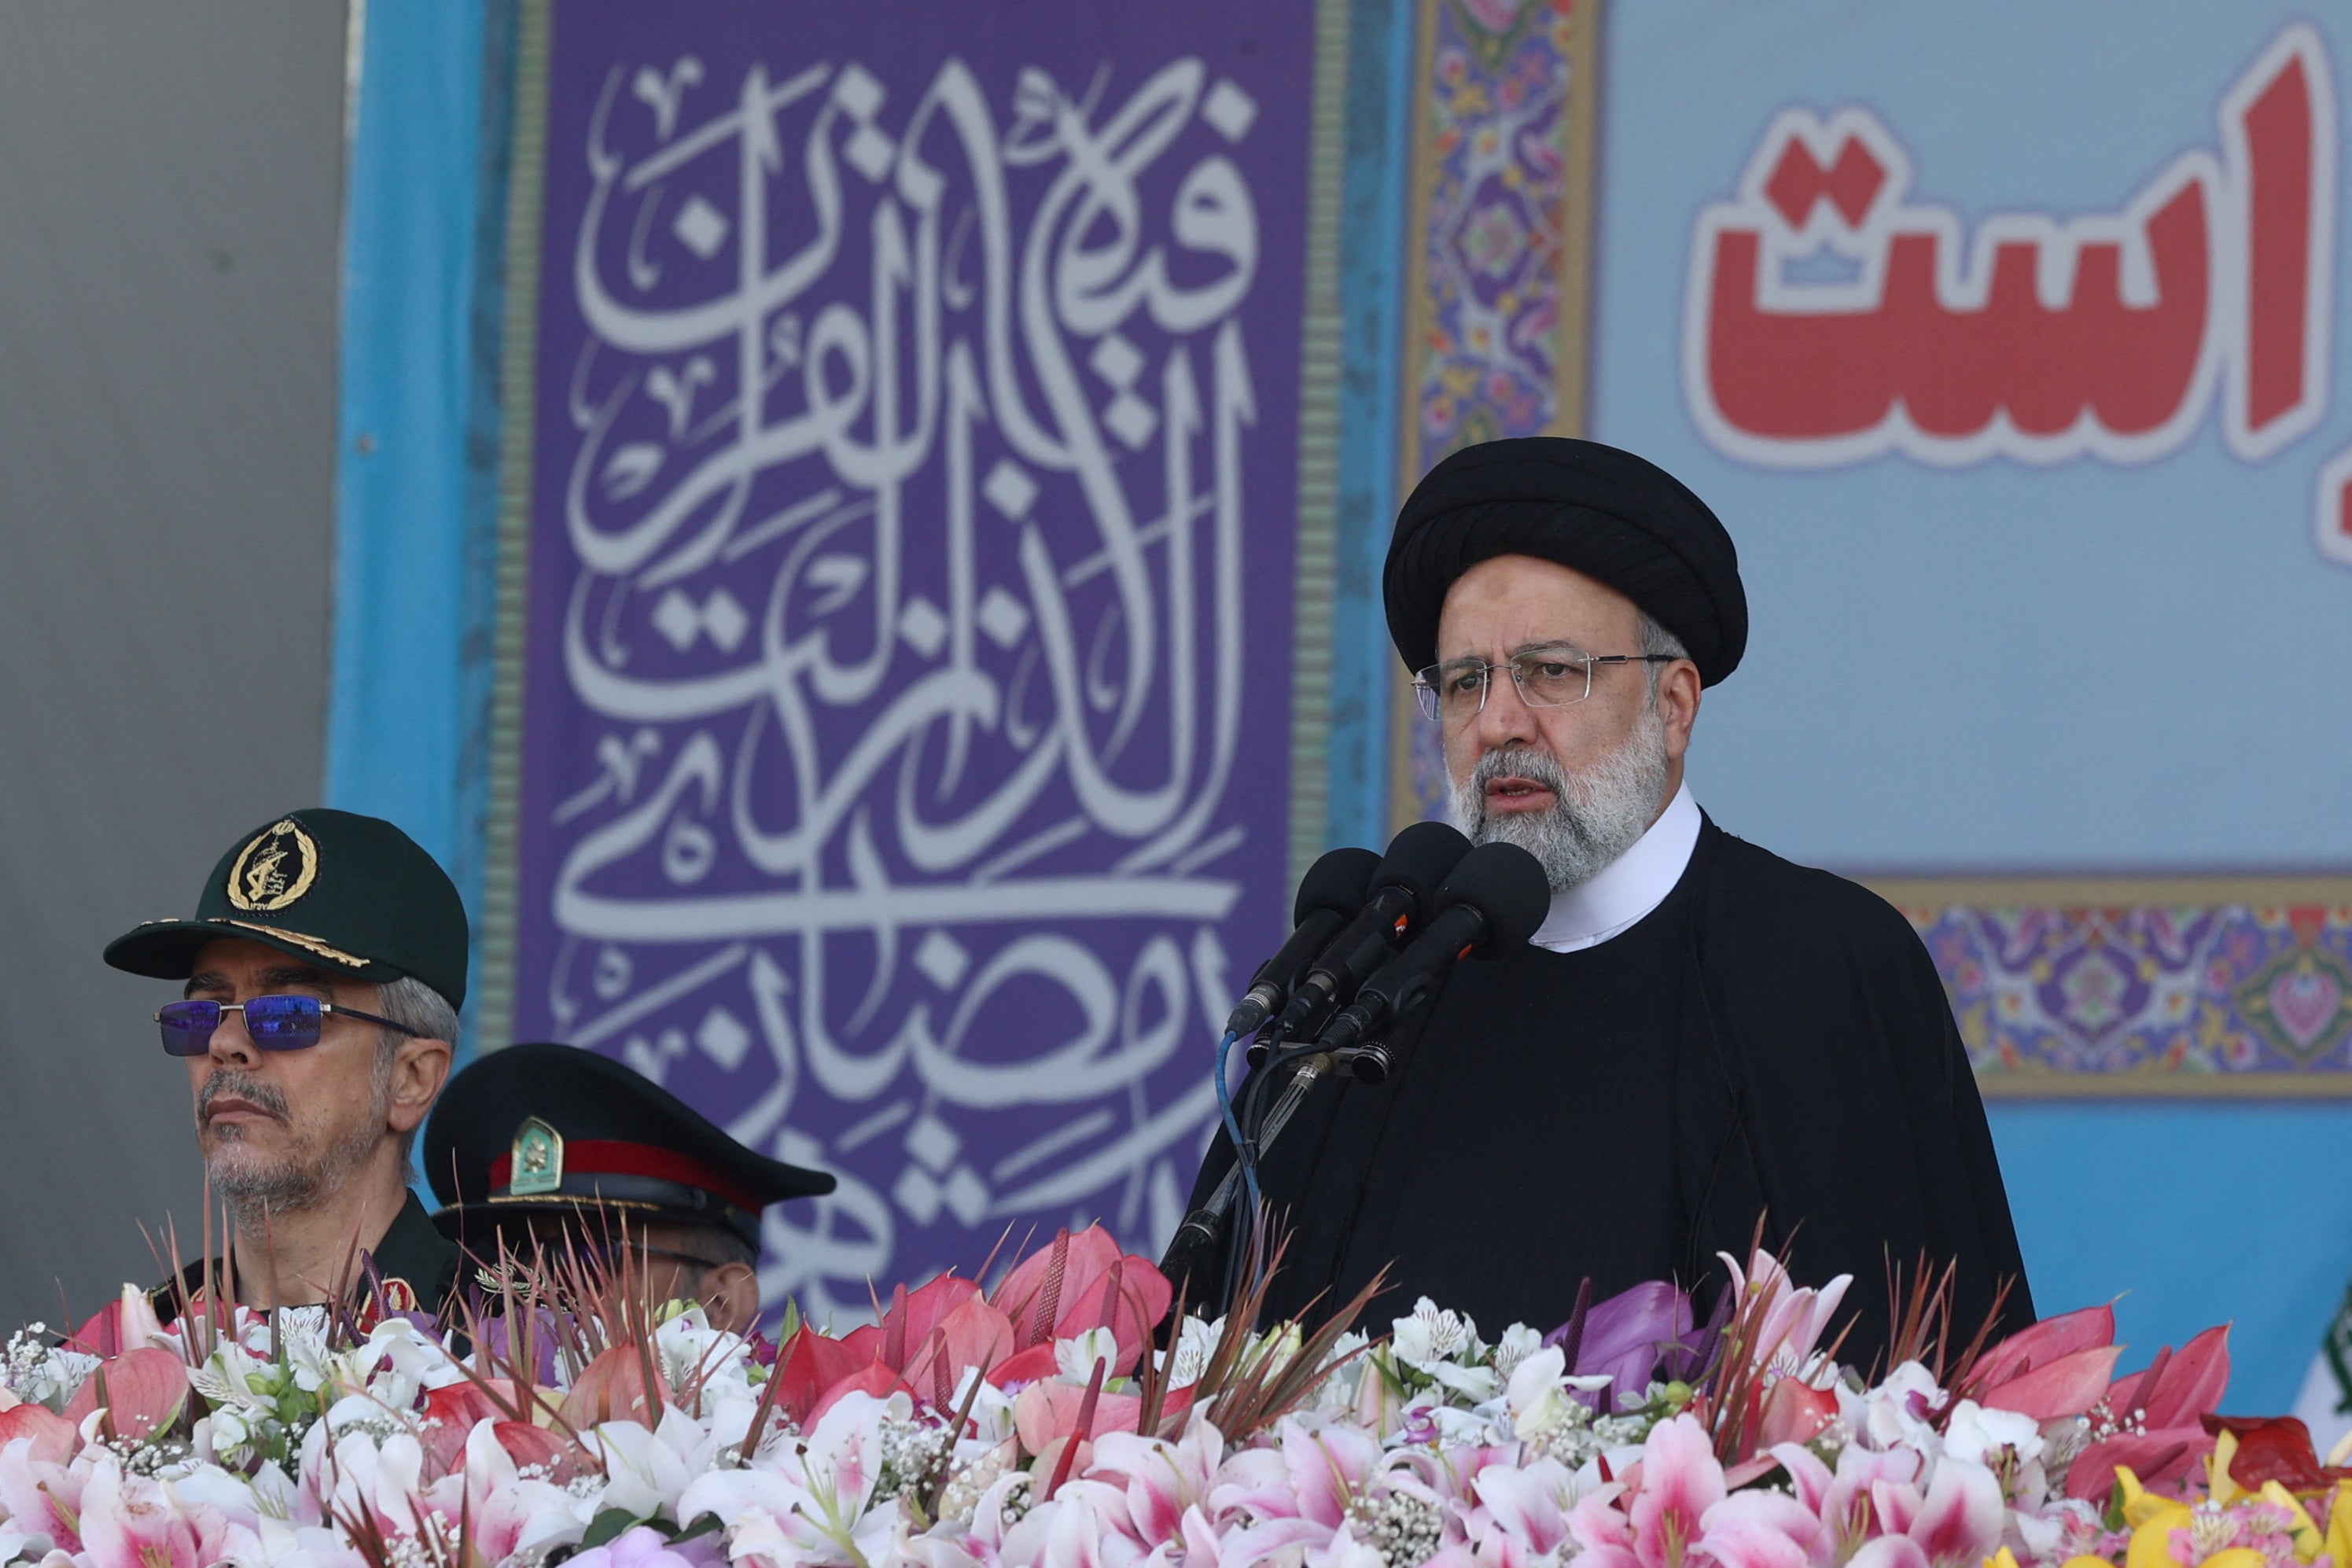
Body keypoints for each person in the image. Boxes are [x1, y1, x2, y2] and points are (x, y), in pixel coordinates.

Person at [1178, 436, 2033, 1363]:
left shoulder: (1821, 965)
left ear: (1673, 704)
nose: (1500, 721)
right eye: (1465, 682)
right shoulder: (1368, 998)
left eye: (1552, 671)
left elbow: (1920, 1404)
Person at [104, 809, 468, 1318]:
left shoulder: (516, 1359)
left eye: (287, 1014)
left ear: (410, 1079)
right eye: (201, 1014)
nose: (225, 1043)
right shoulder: (115, 1363)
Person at [423, 1042, 837, 1336]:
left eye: (587, 1257)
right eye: (517, 1262)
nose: (540, 1293)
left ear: (723, 1303)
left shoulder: (796, 1459)